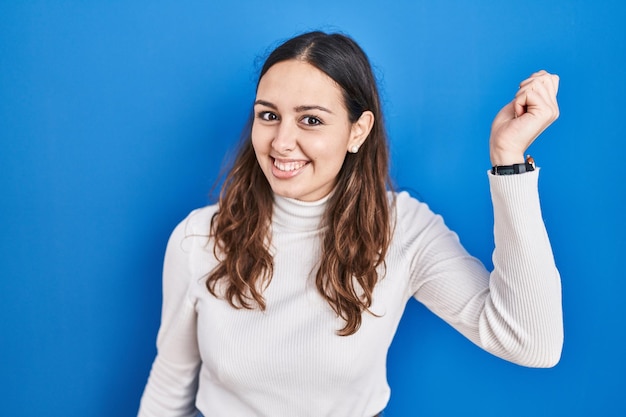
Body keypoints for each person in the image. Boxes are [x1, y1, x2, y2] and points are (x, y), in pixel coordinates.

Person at [138, 31, 563, 417]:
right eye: (269, 116)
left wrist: (509, 163)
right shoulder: (198, 239)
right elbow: (169, 386)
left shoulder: (403, 230)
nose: (282, 142)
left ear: (357, 132)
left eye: (311, 120)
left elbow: (531, 342)